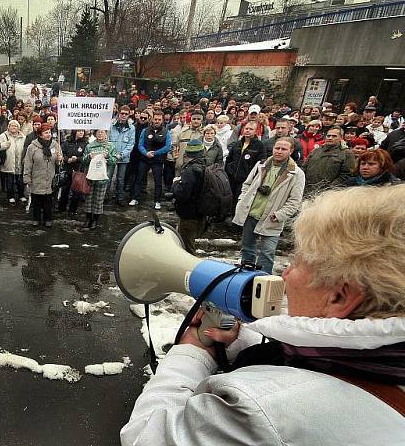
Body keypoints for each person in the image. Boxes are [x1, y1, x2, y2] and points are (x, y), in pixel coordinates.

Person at [122, 185, 405, 445]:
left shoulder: (260, 411)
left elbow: (146, 436)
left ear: (339, 296)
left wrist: (192, 351)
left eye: (299, 262)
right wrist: (246, 341)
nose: (286, 273)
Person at [232, 137, 305, 274]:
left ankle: (263, 281)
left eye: (284, 149)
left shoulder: (297, 174)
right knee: (247, 248)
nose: (279, 151)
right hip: (251, 213)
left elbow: (295, 201)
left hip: (272, 218)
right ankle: (246, 277)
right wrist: (242, 200)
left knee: (267, 253)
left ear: (291, 151)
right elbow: (247, 184)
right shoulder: (261, 164)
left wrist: (280, 215)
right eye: (277, 148)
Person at [23, 124, 64, 227]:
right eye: (46, 133)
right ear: (40, 135)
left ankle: (48, 218)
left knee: (48, 200)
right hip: (36, 177)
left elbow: (59, 162)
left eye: (49, 132)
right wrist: (27, 177)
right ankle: (36, 218)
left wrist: (59, 160)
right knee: (36, 200)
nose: (48, 134)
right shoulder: (32, 147)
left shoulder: (55, 145)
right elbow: (28, 163)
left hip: (50, 177)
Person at [173, 140, 209, 253]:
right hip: (200, 212)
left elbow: (182, 194)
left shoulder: (191, 170)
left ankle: (189, 269)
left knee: (186, 246)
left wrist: (175, 184)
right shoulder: (204, 166)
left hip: (189, 214)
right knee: (189, 241)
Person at [131, 111, 172, 210]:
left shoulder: (166, 132)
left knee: (158, 181)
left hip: (158, 160)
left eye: (159, 119)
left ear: (162, 120)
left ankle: (157, 201)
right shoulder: (145, 130)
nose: (157, 121)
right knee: (139, 179)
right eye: (155, 119)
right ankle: (135, 198)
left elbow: (167, 147)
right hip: (144, 159)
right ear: (152, 119)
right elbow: (140, 145)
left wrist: (154, 153)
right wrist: (146, 153)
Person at [81, 129, 117, 229]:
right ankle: (88, 218)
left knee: (99, 199)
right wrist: (89, 157)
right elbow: (83, 161)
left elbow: (114, 161)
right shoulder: (89, 146)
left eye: (102, 132)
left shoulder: (110, 146)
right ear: (95, 133)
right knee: (89, 198)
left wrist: (108, 156)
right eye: (98, 132)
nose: (100, 134)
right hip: (90, 177)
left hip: (102, 178)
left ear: (106, 133)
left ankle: (95, 220)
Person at [225, 121, 266, 208]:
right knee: (228, 198)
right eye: (246, 129)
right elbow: (229, 158)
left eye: (251, 129)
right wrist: (229, 170)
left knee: (239, 200)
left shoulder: (259, 145)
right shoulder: (237, 143)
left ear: (255, 131)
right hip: (232, 177)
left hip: (246, 179)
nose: (248, 131)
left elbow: (260, 164)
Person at [304, 125, 355, 192]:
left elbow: (346, 175)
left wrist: (329, 188)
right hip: (308, 189)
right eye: (328, 136)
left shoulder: (347, 153)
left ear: (341, 138)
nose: (330, 138)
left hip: (328, 192)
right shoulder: (315, 151)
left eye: (334, 136)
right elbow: (304, 167)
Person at [58, 129, 89, 216]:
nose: (81, 133)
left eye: (82, 131)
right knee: (65, 190)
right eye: (79, 131)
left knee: (76, 191)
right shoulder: (67, 142)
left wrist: (77, 159)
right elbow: (61, 153)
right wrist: (68, 159)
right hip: (67, 169)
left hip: (78, 170)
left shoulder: (86, 144)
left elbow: (86, 156)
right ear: (75, 132)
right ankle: (61, 208)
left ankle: (73, 209)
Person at [109, 105, 136, 206]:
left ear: (129, 115)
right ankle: (106, 196)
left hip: (124, 158)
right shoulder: (111, 125)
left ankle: (119, 197)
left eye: (126, 114)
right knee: (108, 177)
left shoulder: (131, 128)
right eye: (122, 113)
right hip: (111, 156)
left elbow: (131, 144)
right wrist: (112, 154)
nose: (123, 115)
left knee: (121, 178)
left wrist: (122, 154)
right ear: (118, 114)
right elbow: (107, 141)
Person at [0, 119, 27, 204]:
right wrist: (4, 145)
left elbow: (26, 149)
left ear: (18, 128)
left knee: (20, 181)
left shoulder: (23, 137)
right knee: (9, 181)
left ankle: (21, 195)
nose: (13, 127)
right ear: (8, 127)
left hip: (19, 162)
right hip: (8, 162)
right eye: (11, 125)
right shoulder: (3, 136)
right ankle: (10, 196)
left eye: (15, 126)